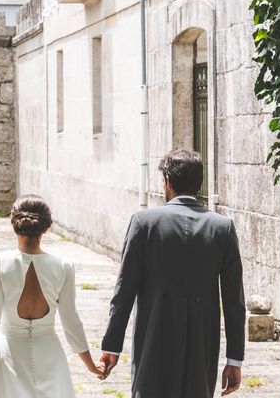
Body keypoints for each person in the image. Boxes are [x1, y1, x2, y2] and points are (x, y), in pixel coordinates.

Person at [99, 149, 246, 397]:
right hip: (201, 342)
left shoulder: (143, 223)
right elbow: (234, 302)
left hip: (154, 337)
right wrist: (234, 360)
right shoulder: (222, 228)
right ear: (200, 182)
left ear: (167, 181)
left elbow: (124, 292)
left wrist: (111, 347)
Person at [0, 194, 106, 397]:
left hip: (9, 355)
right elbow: (71, 323)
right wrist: (91, 366)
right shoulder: (63, 266)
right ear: (46, 227)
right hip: (50, 354)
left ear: (14, 224)